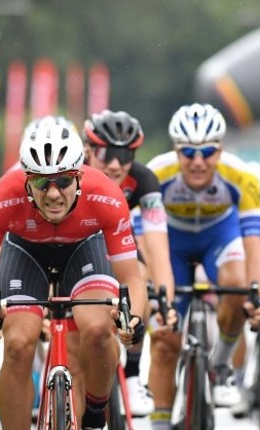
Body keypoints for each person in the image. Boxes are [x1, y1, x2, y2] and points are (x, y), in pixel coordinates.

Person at [0, 123, 147, 430]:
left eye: (63, 181)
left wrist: (134, 319)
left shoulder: (108, 197)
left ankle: (96, 414)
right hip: (25, 252)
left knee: (99, 330)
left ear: (79, 177)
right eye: (42, 183)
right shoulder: (1, 199)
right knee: (19, 345)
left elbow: (133, 279)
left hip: (85, 247)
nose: (54, 193)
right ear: (26, 182)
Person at [145, 102, 260, 430]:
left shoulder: (241, 176)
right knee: (166, 338)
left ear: (220, 150)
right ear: (176, 151)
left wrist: (255, 291)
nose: (198, 162)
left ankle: (222, 365)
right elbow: (145, 240)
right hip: (172, 244)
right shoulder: (157, 174)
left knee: (238, 283)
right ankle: (159, 421)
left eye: (208, 152)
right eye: (188, 153)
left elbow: (253, 242)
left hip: (218, 238)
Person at [83, 109, 175, 417]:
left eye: (125, 155)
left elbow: (158, 243)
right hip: (74, 247)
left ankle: (133, 373)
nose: (115, 164)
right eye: (107, 153)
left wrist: (166, 300)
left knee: (143, 279)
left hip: (117, 244)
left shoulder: (144, 179)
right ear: (87, 151)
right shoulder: (74, 173)